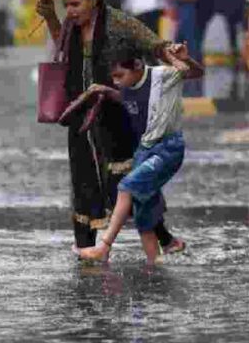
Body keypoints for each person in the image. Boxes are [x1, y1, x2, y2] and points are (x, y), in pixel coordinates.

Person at [35, 0, 186, 255]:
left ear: (93, 0)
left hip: (116, 112)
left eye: (75, 4)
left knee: (129, 181)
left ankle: (164, 238)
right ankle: (85, 248)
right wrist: (51, 18)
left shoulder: (119, 23)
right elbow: (64, 51)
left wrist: (173, 52)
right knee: (83, 179)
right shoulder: (70, 24)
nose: (70, 11)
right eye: (66, 4)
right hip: (80, 110)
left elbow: (153, 44)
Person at [73, 43, 203, 264]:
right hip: (145, 149)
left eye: (119, 76)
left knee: (126, 187)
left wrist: (181, 58)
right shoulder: (127, 86)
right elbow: (127, 99)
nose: (116, 81)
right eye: (113, 78)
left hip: (167, 148)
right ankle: (155, 265)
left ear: (137, 65)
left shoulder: (162, 76)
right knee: (143, 214)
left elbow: (193, 72)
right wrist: (104, 91)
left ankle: (104, 247)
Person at [169, 0, 204, 97]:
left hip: (190, 15)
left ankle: (195, 80)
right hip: (180, 16)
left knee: (192, 47)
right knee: (177, 46)